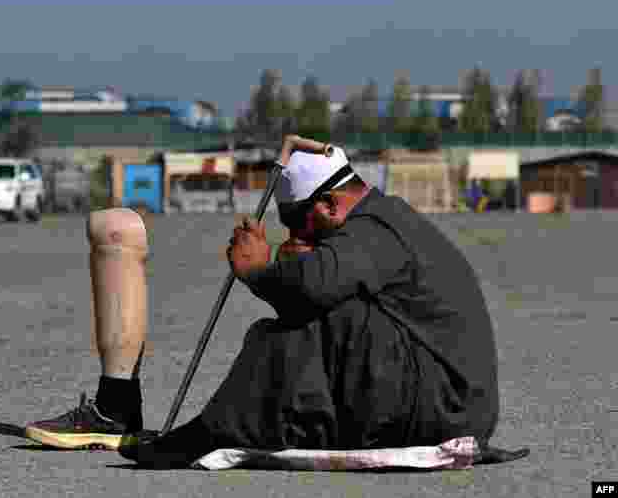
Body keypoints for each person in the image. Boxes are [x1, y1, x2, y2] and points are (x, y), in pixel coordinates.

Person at [25, 146, 505, 469]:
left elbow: (317, 287)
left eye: (297, 224)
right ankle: (220, 429)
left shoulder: (376, 227)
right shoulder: (379, 219)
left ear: (332, 206)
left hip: (444, 405)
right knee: (308, 319)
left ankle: (207, 435)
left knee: (290, 336)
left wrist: (257, 271)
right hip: (444, 401)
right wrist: (286, 274)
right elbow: (316, 282)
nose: (293, 238)